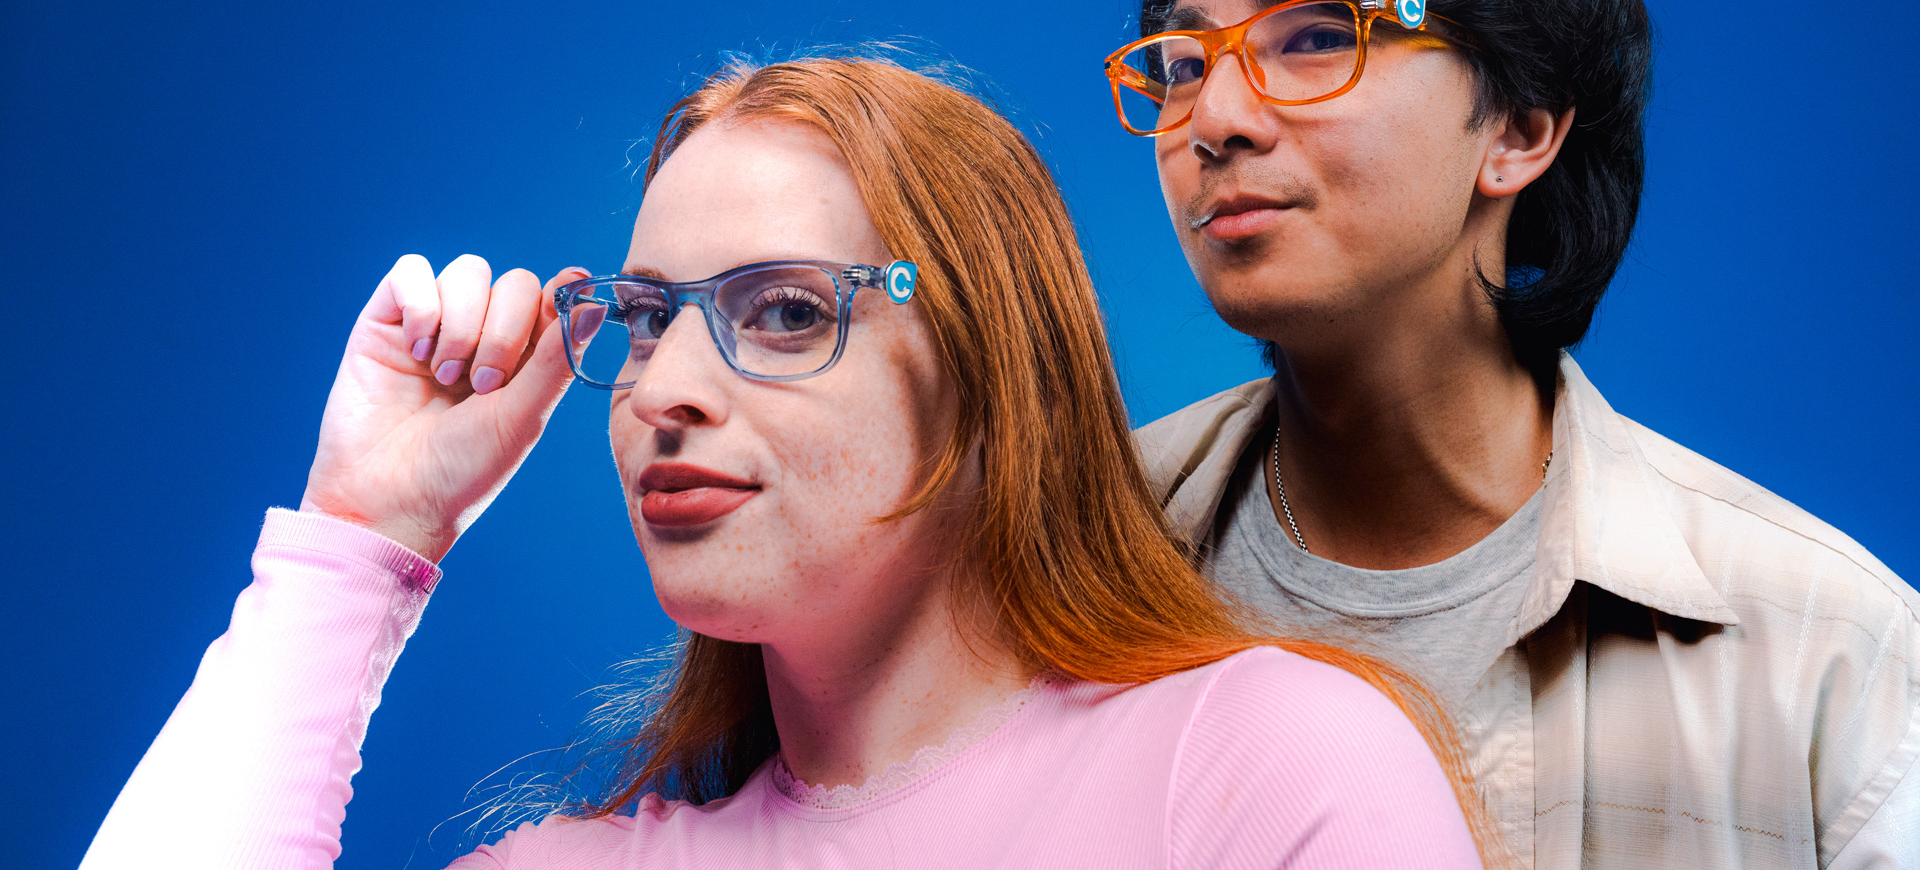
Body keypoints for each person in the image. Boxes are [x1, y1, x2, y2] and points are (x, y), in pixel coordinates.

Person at [81, 56, 1489, 870]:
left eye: (788, 311)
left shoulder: (1258, 764)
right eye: (639, 322)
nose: (664, 391)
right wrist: (361, 526)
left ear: (994, 368)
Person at [1111, 0, 1920, 868]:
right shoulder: (1063, 551)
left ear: (1520, 129)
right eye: (1182, 62)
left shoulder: (1827, 648)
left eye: (1314, 38)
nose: (1212, 117)